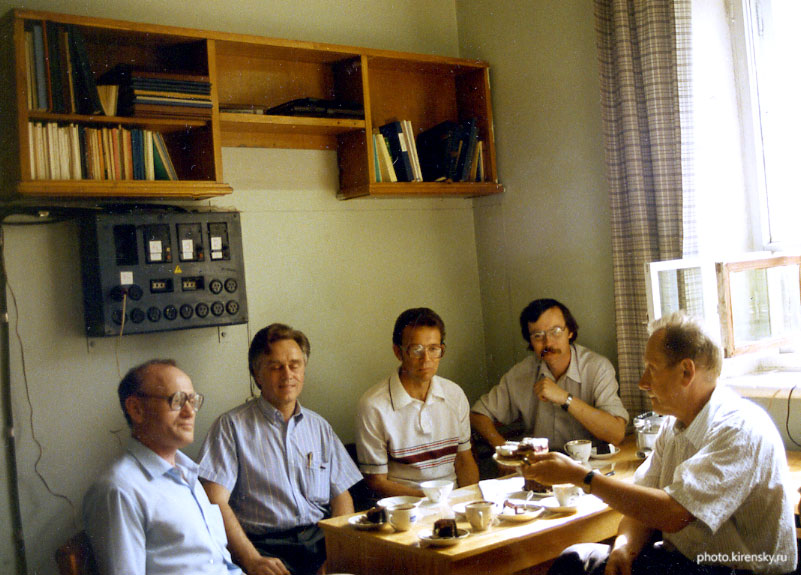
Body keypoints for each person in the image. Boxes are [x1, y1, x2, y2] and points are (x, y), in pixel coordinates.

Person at [524, 312, 797, 575]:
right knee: (573, 561)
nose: (643, 383)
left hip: (736, 570)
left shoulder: (738, 429)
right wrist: (624, 547)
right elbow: (642, 506)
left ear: (686, 372)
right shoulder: (673, 424)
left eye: (651, 369)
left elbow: (673, 513)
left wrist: (581, 476)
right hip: (686, 562)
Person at [198, 323, 361, 575]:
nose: (287, 375)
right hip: (263, 548)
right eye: (275, 367)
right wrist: (252, 560)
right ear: (257, 374)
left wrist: (338, 552)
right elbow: (215, 501)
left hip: (320, 542)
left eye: (295, 365)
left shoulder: (319, 427)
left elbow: (342, 497)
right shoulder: (230, 427)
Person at [82, 359, 242, 575]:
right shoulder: (119, 489)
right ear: (136, 409)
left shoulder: (187, 472)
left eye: (192, 400)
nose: (190, 412)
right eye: (177, 400)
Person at [470, 298, 628, 451]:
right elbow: (477, 415)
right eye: (538, 335)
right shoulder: (521, 373)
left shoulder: (597, 367)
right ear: (530, 340)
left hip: (590, 461)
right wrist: (504, 450)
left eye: (556, 331)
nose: (548, 343)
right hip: (541, 462)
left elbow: (617, 434)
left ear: (570, 332)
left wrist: (565, 399)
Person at [355, 307, 479, 498]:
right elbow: (376, 481)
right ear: (398, 352)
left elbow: (464, 461)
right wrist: (431, 500)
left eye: (433, 349)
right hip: (405, 507)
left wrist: (471, 501)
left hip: (452, 501)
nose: (426, 359)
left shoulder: (454, 394)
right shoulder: (373, 406)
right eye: (416, 350)